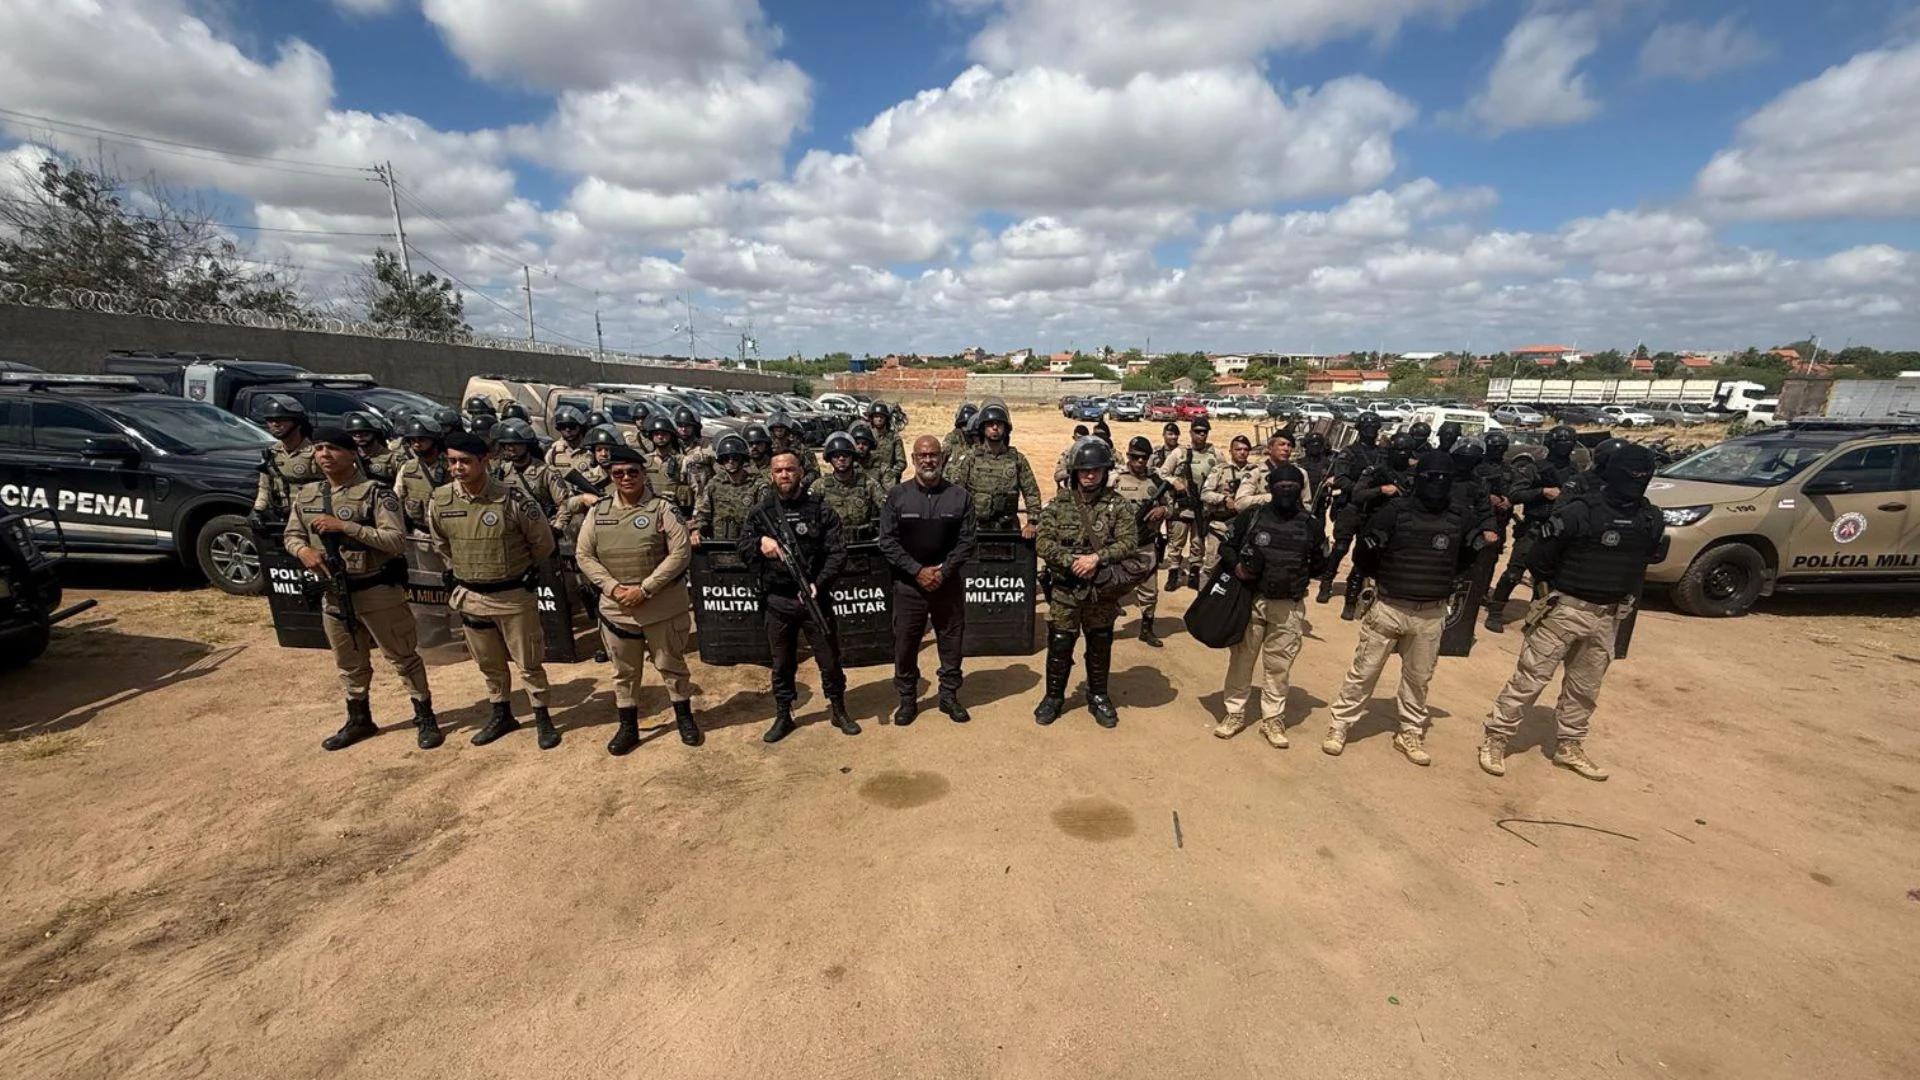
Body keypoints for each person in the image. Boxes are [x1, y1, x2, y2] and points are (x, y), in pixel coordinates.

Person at [1480, 445, 1666, 782]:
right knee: (1530, 678)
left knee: (1585, 688)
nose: (1636, 484)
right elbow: (1540, 560)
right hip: (1566, 608)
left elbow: (1646, 559)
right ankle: (1497, 737)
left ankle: (1569, 744)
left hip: (1609, 614)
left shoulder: (1649, 517)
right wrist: (1554, 594)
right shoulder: (1581, 511)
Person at [284, 427, 440, 751]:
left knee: (402, 656)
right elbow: (292, 535)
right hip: (334, 592)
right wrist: (303, 552)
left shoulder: (377, 494)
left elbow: (396, 541)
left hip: (376, 589)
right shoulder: (308, 495)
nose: (324, 454)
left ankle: (424, 715)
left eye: (333, 448)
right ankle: (359, 718)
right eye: (320, 448)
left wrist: (346, 526)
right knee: (348, 661)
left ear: (352, 454)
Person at [1322, 452, 1478, 765]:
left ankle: (1410, 730)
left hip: (1431, 611)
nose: (1437, 483)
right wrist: (1389, 579)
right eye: (1431, 476)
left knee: (1419, 678)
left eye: (1444, 478)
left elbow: (1466, 559)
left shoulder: (1460, 515)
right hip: (1390, 604)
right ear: (1419, 478)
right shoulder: (1395, 511)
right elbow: (1365, 555)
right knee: (1364, 672)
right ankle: (1340, 724)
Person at [426, 432, 560, 749]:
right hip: (470, 595)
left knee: (528, 662)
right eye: (452, 461)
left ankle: (543, 717)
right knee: (488, 663)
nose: (458, 467)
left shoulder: (513, 499)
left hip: (512, 595)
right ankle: (502, 713)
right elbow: (440, 544)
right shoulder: (441, 500)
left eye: (465, 461)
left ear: (485, 461)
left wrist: (518, 569)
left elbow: (543, 543)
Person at [576, 444, 703, 756]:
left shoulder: (663, 509)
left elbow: (680, 552)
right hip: (617, 610)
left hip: (660, 608)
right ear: (610, 476)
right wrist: (613, 588)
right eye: (618, 473)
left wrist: (645, 588)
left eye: (633, 471)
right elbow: (584, 554)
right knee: (624, 672)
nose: (626, 477)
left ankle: (684, 718)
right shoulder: (598, 512)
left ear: (643, 473)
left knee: (671, 666)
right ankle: (628, 726)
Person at [739, 452, 860, 743]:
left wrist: (820, 583)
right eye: (778, 470)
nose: (784, 475)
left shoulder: (820, 509)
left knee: (829, 660)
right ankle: (784, 713)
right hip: (778, 601)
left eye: (789, 469)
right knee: (782, 663)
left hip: (814, 599)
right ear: (771, 475)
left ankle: (838, 708)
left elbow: (837, 553)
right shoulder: (761, 513)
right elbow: (742, 548)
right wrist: (760, 542)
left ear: (801, 472)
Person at [1214, 464, 1326, 746]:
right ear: (1271, 488)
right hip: (1253, 600)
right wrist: (1237, 567)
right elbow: (1226, 546)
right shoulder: (1252, 517)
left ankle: (1272, 719)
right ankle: (1235, 712)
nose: (1286, 490)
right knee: (1242, 661)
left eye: (1292, 486)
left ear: (1300, 490)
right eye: (1280, 486)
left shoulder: (1311, 523)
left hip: (1288, 606)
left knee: (1279, 666)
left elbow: (1320, 564)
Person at [876, 435, 978, 725]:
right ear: (913, 460)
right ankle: (907, 699)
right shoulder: (897, 496)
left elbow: (967, 541)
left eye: (933, 455)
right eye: (922, 456)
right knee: (906, 645)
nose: (928, 460)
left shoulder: (960, 497)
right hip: (909, 586)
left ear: (942, 458)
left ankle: (949, 696)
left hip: (947, 585)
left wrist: (943, 572)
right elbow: (888, 541)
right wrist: (917, 571)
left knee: (951, 642)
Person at [1033, 439, 1135, 728]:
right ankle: (1054, 697)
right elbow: (1043, 541)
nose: (1090, 476)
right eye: (1085, 471)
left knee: (1100, 642)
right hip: (1065, 589)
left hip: (1100, 591)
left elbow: (1129, 541)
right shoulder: (1059, 504)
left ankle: (1099, 695)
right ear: (1075, 472)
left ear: (1105, 471)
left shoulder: (1117, 505)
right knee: (1061, 643)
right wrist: (1071, 562)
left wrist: (1097, 558)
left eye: (1097, 470)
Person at [1486, 424, 1579, 632]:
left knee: (1545, 578)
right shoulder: (1535, 468)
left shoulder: (1574, 471)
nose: (1565, 447)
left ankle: (1535, 617)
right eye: (1561, 443)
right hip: (1533, 527)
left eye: (1568, 443)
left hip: (1558, 530)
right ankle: (1496, 611)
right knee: (1513, 573)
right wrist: (1542, 491)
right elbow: (1516, 494)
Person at [1109, 436, 1171, 646]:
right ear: (1128, 456)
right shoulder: (1115, 480)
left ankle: (1147, 628)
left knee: (1149, 590)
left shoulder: (1156, 481)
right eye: (1135, 457)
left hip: (1146, 544)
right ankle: (1106, 628)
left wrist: (1163, 510)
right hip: (1119, 543)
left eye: (1144, 458)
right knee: (1112, 586)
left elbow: (1173, 506)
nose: (1139, 462)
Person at [946, 402, 1042, 538]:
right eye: (990, 424)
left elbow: (1031, 492)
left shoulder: (1016, 459)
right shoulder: (970, 458)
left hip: (1007, 527)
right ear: (983, 428)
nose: (995, 428)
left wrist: (1032, 522)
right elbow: (956, 492)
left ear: (1006, 429)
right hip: (975, 526)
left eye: (999, 424)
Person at [1317, 412, 1384, 603]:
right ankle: (1327, 582)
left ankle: (1354, 586)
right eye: (1367, 428)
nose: (1371, 432)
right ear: (1360, 430)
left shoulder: (1382, 454)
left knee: (1366, 550)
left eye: (1374, 428)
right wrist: (1361, 491)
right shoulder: (1349, 452)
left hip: (1371, 508)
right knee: (1340, 547)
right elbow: (1341, 479)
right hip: (1350, 506)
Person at [1157, 418, 1220, 591]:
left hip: (1203, 508)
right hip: (1181, 507)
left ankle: (1194, 574)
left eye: (1204, 432)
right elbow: (1162, 473)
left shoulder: (1215, 454)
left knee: (1198, 543)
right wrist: (1175, 481)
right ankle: (1173, 574)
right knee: (1176, 543)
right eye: (1198, 431)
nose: (1201, 435)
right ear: (1191, 432)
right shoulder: (1180, 453)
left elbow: (1224, 474)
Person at [252, 395, 319, 524]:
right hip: (284, 518)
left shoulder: (317, 452)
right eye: (270, 420)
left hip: (314, 519)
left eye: (281, 420)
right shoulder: (271, 453)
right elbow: (265, 487)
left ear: (297, 422)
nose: (275, 424)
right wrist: (258, 510)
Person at [693, 433, 767, 545]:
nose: (730, 462)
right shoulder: (714, 484)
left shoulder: (757, 484)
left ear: (743, 460)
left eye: (735, 458)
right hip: (720, 544)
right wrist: (696, 531)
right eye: (726, 458)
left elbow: (765, 517)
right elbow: (703, 514)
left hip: (749, 544)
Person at [490, 419, 567, 527]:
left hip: (540, 529)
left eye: (516, 444)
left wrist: (557, 527)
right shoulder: (501, 472)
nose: (511, 448)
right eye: (506, 444)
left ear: (527, 445)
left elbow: (564, 503)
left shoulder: (547, 472)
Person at [1202, 434, 1260, 570]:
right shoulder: (1220, 470)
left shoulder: (1255, 471)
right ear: (1230, 451)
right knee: (1211, 566)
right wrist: (1223, 499)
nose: (1242, 452)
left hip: (1245, 527)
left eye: (1246, 449)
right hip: (1220, 526)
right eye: (1238, 449)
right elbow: (1205, 494)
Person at [816, 433, 888, 540]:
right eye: (836, 456)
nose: (841, 459)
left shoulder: (868, 483)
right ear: (830, 459)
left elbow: (888, 509)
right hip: (833, 547)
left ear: (853, 457)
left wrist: (882, 535)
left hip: (864, 544)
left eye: (845, 455)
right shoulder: (819, 486)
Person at [393, 416, 450, 531]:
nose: (416, 445)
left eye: (422, 440)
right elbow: (397, 499)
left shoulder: (452, 467)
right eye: (413, 441)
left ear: (435, 441)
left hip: (448, 532)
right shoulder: (407, 468)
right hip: (419, 534)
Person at [640, 415, 694, 514]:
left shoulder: (682, 460)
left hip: (676, 510)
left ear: (671, 436)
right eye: (656, 434)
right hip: (649, 509)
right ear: (651, 436)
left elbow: (695, 489)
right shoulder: (644, 461)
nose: (660, 437)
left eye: (664, 434)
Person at [674, 407, 716, 513]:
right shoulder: (671, 445)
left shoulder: (705, 445)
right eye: (680, 426)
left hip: (700, 496)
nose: (683, 429)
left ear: (694, 427)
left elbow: (717, 467)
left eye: (687, 426)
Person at [767, 412, 819, 482]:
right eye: (776, 428)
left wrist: (802, 483)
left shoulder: (800, 448)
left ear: (787, 429)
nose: (779, 430)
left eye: (782, 427)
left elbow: (814, 472)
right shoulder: (767, 449)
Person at [545, 406, 594, 474]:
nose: (567, 430)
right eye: (562, 427)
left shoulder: (591, 450)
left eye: (571, 426)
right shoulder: (553, 453)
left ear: (580, 426)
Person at [867, 400, 907, 482]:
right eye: (876, 416)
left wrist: (891, 474)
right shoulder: (867, 436)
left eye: (882, 416)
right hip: (870, 480)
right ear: (872, 418)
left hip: (889, 481)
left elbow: (901, 462)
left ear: (886, 418)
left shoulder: (894, 438)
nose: (879, 419)